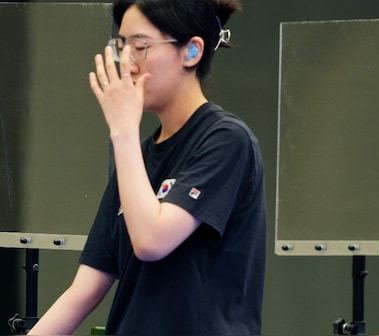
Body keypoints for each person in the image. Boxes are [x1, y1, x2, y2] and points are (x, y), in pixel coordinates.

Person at [28, 0, 266, 335]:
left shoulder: (227, 140)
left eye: (140, 47)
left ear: (191, 52)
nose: (126, 62)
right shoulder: (138, 155)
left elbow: (152, 241)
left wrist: (123, 131)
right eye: (122, 46)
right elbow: (83, 291)